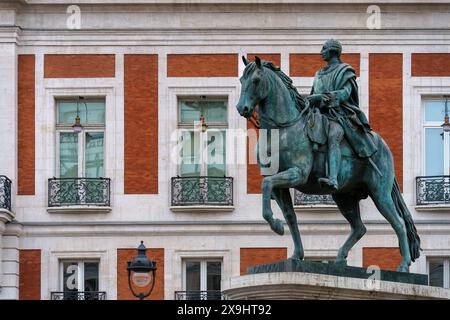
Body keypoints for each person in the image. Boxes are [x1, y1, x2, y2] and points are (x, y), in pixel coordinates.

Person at [307, 39, 377, 191]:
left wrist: (322, 98)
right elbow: (313, 95)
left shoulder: (345, 71)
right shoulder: (318, 74)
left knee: (333, 136)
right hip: (318, 115)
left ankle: (333, 179)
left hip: (338, 116)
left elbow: (345, 94)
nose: (321, 52)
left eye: (323, 49)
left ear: (332, 51)